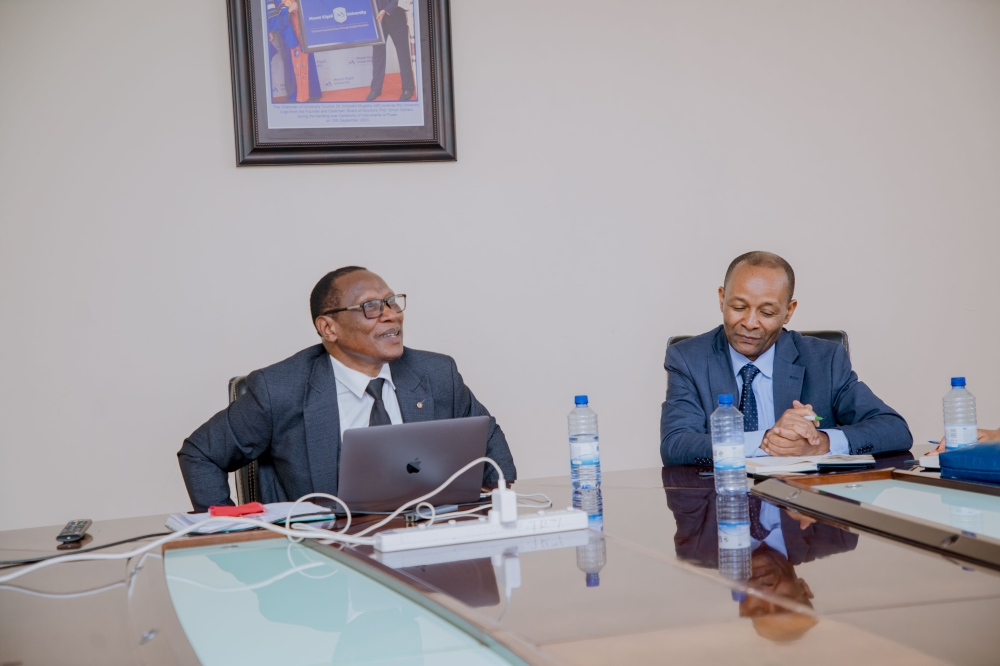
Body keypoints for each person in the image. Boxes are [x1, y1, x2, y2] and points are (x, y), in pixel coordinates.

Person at [178, 267, 516, 512]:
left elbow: (488, 442)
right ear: (329, 328)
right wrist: (235, 535)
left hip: (420, 547)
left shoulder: (436, 373)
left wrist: (487, 509)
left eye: (392, 302)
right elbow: (200, 454)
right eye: (371, 307)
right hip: (321, 560)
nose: (391, 316)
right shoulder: (279, 389)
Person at [660, 251, 912, 466]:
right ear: (721, 298)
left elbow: (894, 429)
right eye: (738, 307)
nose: (750, 323)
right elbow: (676, 444)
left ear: (789, 312)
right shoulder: (687, 358)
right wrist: (767, 440)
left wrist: (821, 443)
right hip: (723, 499)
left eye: (767, 312)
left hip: (802, 502)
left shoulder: (825, 360)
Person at [663, 467, 856, 642]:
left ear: (743, 608)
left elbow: (677, 473)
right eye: (784, 602)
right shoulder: (836, 537)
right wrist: (796, 481)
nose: (766, 592)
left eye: (759, 609)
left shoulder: (697, 551)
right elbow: (849, 468)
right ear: (804, 589)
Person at [366, 0, 416, 101]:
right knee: (377, 56)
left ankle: (408, 88)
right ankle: (375, 89)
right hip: (377, 20)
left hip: (396, 18)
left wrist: (385, 10)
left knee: (403, 55)